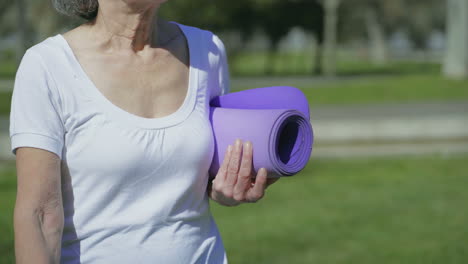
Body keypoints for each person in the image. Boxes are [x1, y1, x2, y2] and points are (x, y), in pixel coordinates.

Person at [9, 0, 279, 263]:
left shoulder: (207, 51)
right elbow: (40, 215)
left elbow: (208, 181)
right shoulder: (48, 65)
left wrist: (227, 191)